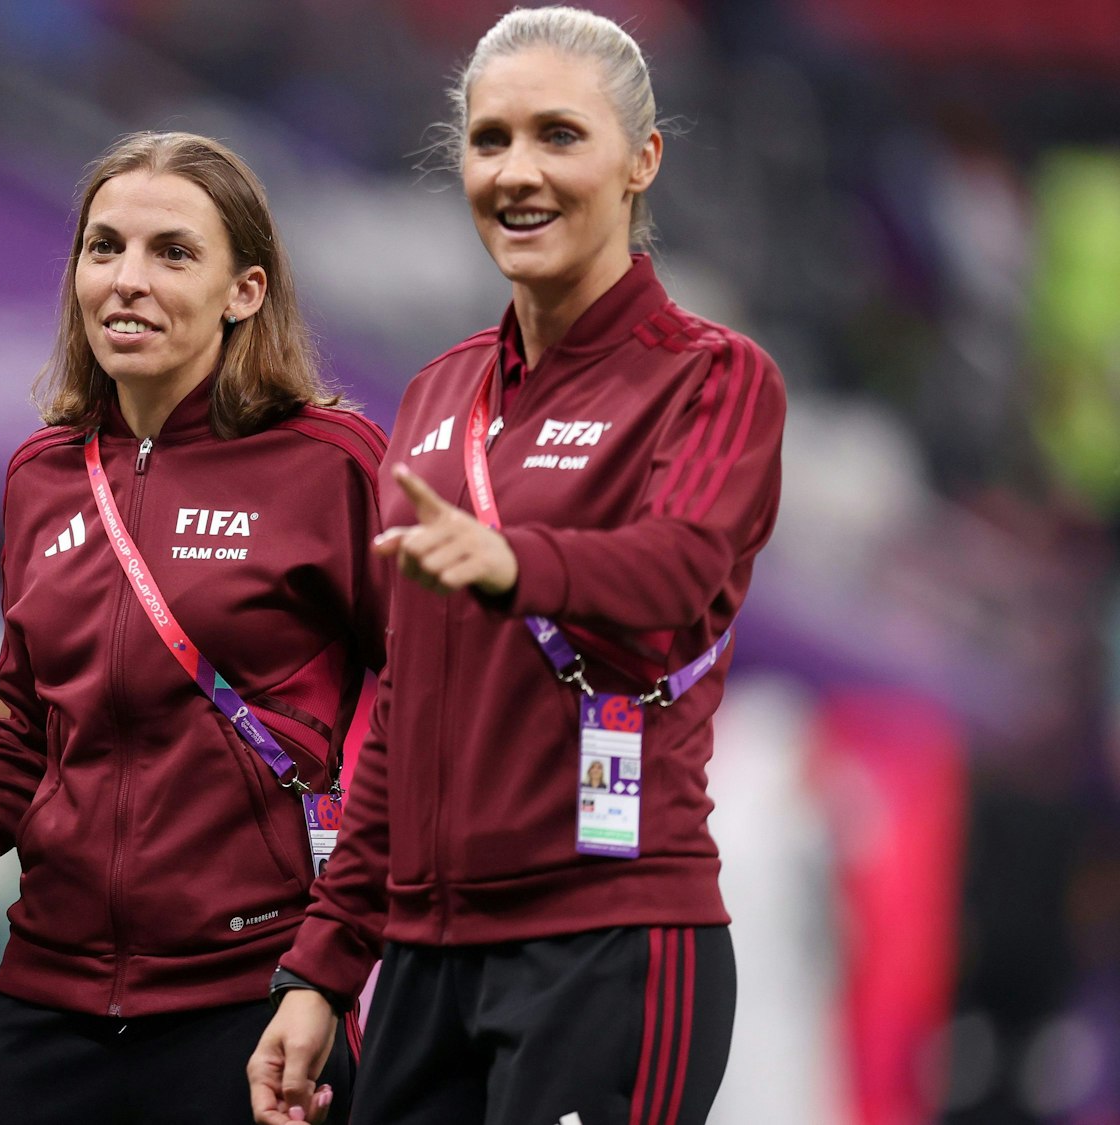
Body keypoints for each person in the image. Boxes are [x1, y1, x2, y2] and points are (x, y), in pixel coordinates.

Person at [250, 9, 788, 1125]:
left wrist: (512, 562)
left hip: (609, 941)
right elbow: (401, 717)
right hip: (426, 961)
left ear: (641, 161)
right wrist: (321, 967)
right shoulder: (438, 394)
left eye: (557, 136)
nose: (516, 172)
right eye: (489, 140)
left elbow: (677, 570)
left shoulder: (715, 378)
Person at [0, 132, 388, 1125]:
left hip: (246, 1003)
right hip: (44, 1008)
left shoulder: (330, 463)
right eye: (103, 247)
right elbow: (30, 729)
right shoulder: (42, 474)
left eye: (171, 253)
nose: (127, 280)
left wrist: (326, 970)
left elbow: (421, 715)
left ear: (244, 291)